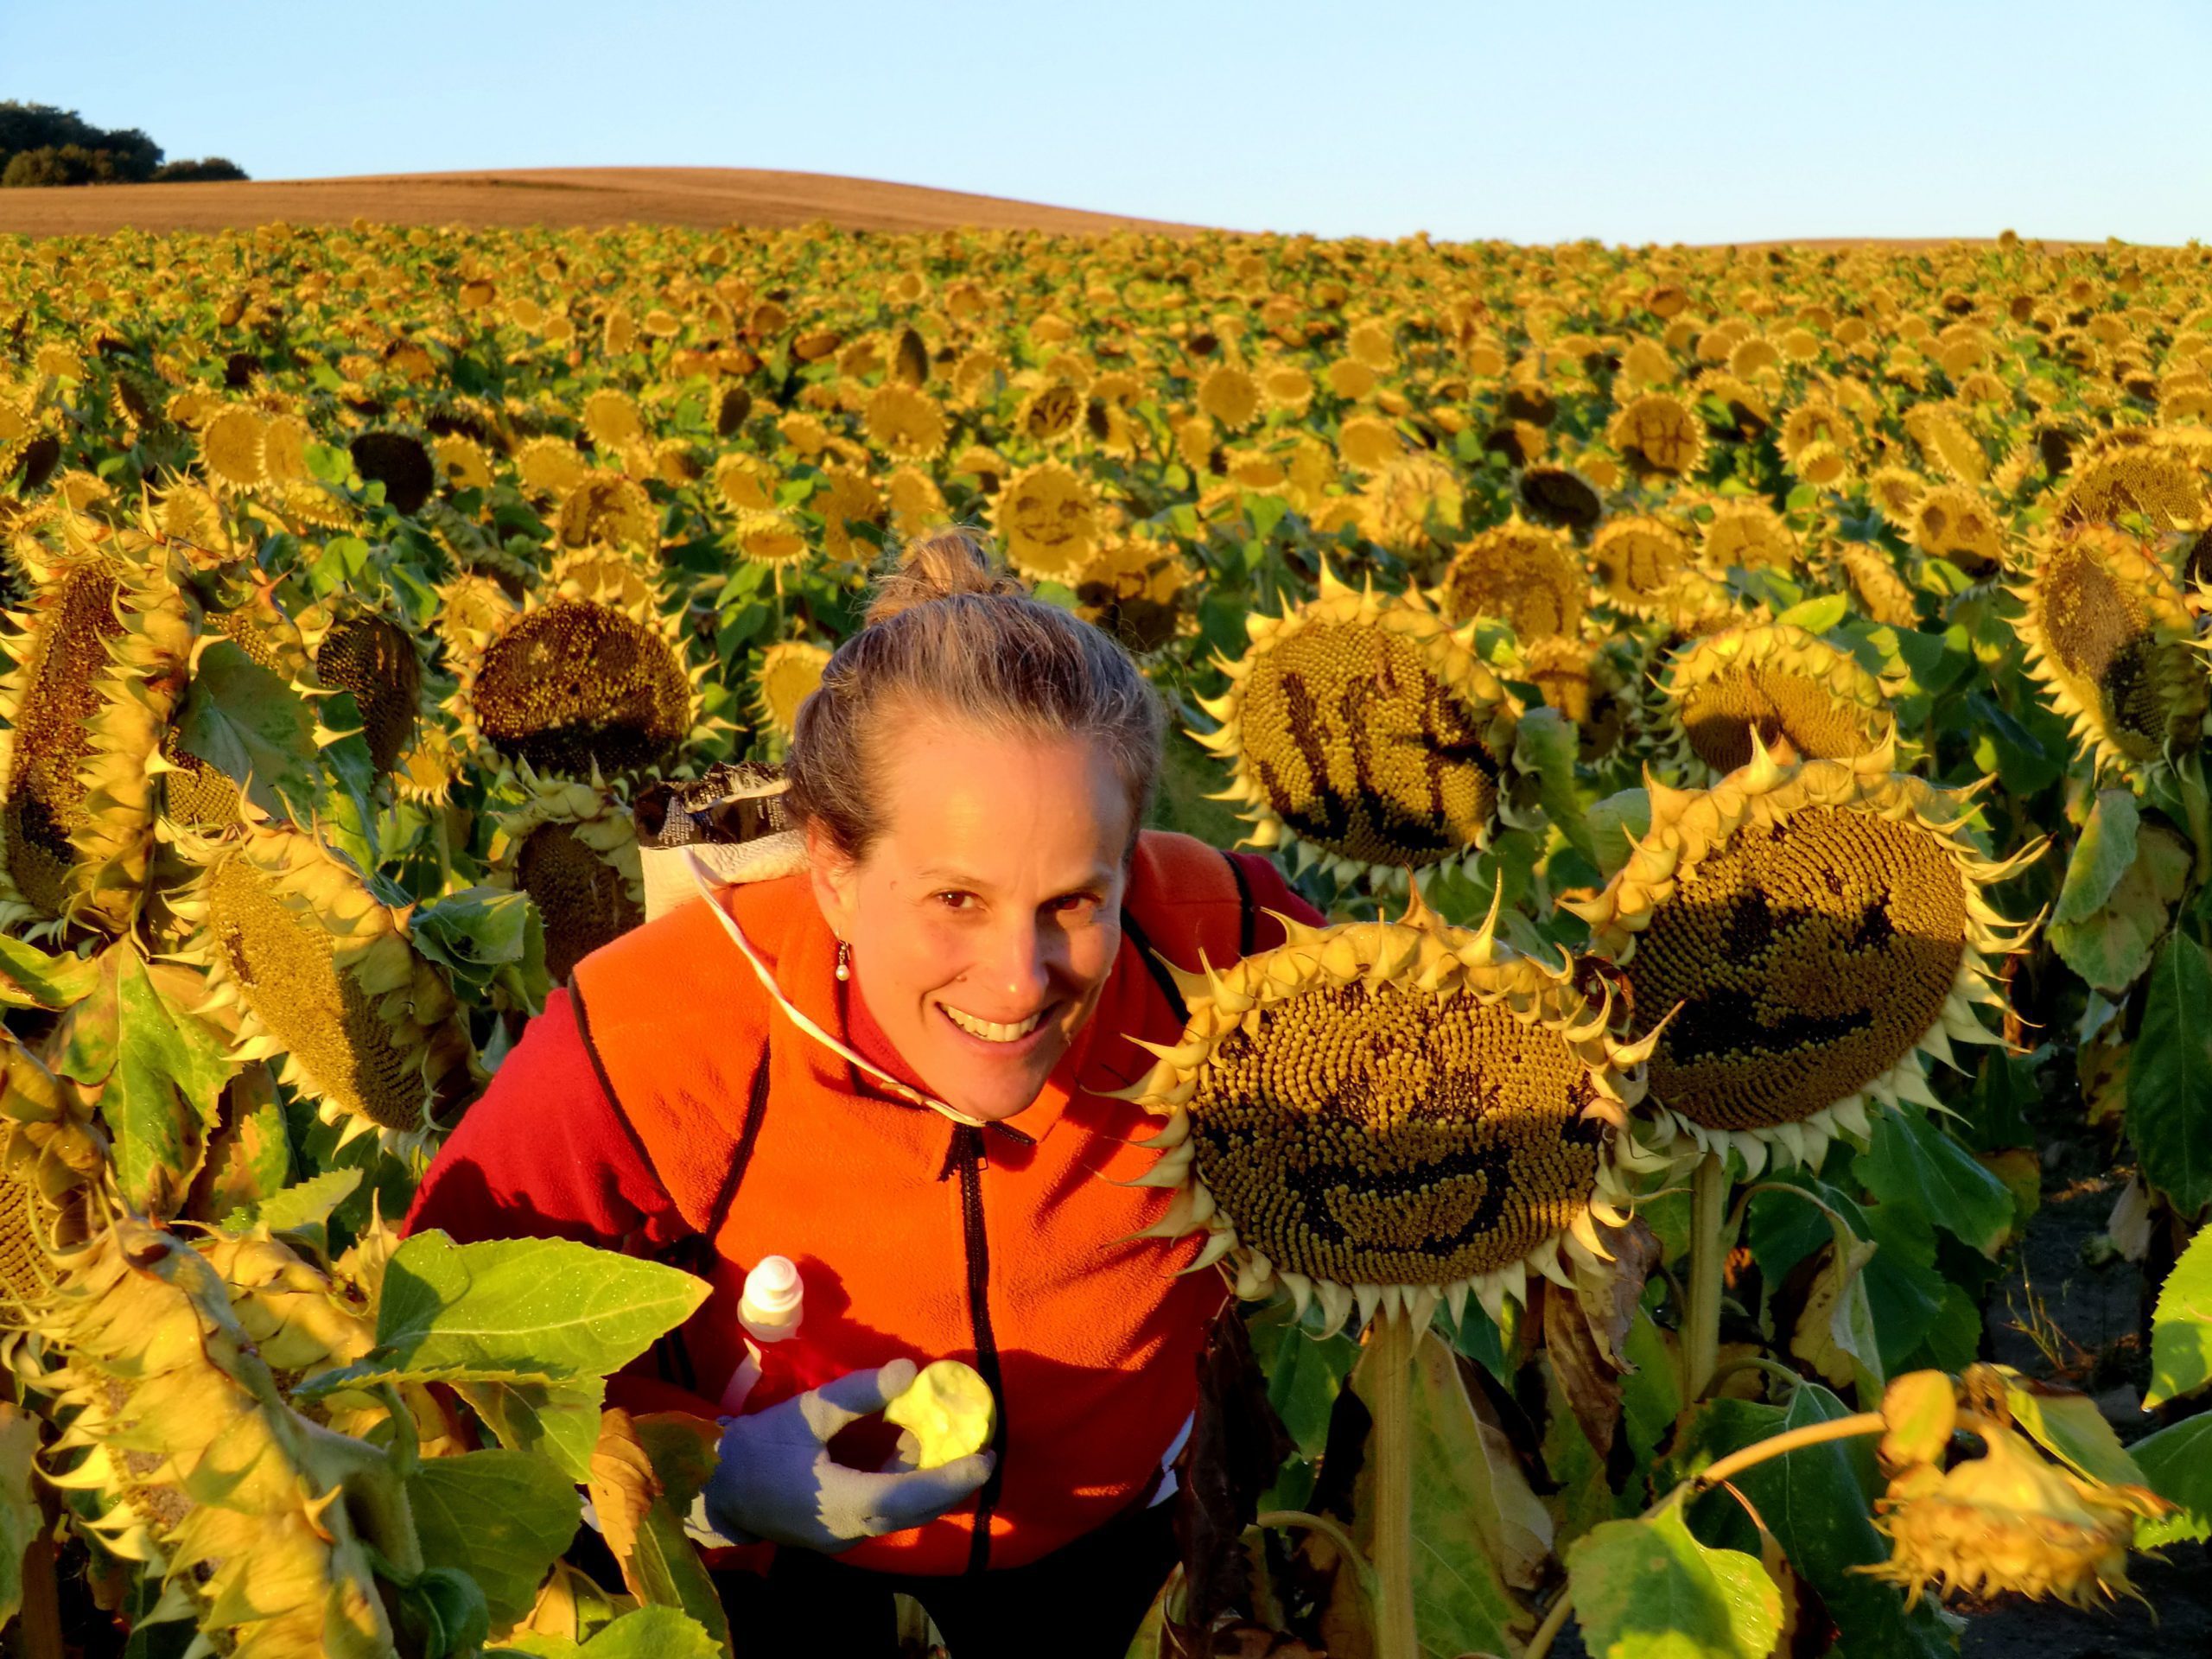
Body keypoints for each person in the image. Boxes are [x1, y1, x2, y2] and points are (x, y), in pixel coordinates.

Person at [404, 527, 1324, 1659]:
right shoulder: (663, 1029)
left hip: (1138, 1561)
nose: (1017, 980)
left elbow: (1455, 1079)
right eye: (955, 899)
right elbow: (445, 1352)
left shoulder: (1227, 949)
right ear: (834, 867)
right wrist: (714, 1484)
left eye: (1075, 902)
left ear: (1135, 854)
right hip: (777, 1587)